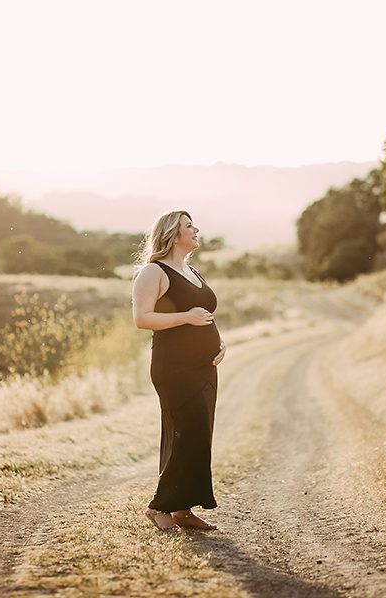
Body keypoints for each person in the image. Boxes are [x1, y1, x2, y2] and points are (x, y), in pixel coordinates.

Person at [132, 210, 226, 531]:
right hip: (174, 367)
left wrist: (220, 342)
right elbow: (142, 318)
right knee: (185, 431)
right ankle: (159, 506)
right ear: (173, 234)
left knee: (200, 434)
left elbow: (206, 314)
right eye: (189, 226)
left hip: (203, 367)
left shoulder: (191, 270)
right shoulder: (153, 272)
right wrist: (185, 317)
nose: (196, 229)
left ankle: (183, 511)